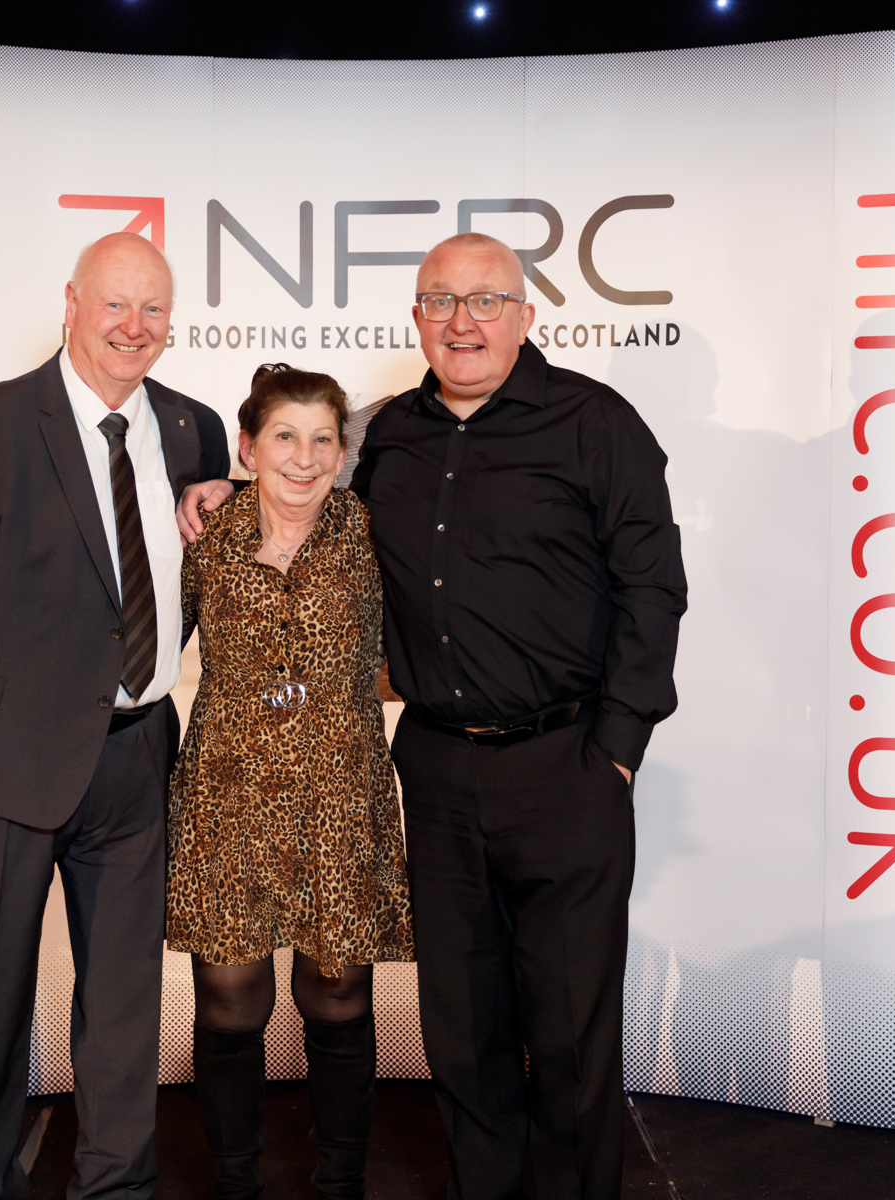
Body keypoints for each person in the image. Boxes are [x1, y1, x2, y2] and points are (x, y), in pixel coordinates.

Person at [178, 233, 688, 1200]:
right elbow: (304, 488)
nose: (463, 322)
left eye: (486, 300)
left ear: (525, 315)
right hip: (439, 769)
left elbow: (653, 587)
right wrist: (223, 487)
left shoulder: (595, 422)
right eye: (441, 302)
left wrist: (617, 751)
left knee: (570, 1033)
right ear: (417, 318)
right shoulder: (390, 434)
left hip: (567, 765)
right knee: (462, 1029)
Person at [0, 232, 230, 1200]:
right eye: (115, 304)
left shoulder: (194, 429)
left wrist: (232, 494)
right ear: (72, 304)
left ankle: (115, 1186)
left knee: (123, 1006)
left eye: (153, 309)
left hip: (138, 757)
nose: (133, 327)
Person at [167, 364, 413, 1200]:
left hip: (340, 794)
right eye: (284, 437)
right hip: (228, 795)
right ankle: (235, 1182)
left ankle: (340, 1181)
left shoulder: (372, 532)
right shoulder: (206, 532)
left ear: (344, 453)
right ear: (248, 447)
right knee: (230, 1000)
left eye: (321, 440)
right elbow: (147, 647)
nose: (303, 458)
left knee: (337, 994)